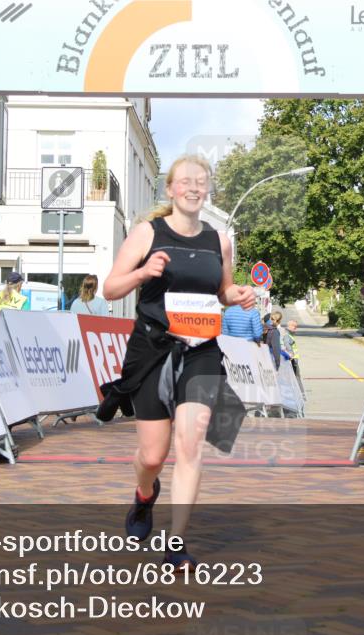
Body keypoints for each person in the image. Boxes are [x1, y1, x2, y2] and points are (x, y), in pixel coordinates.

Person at [98, 154, 256, 570]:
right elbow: (111, 288)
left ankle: (176, 545)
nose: (193, 187)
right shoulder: (147, 232)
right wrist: (143, 273)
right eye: (185, 181)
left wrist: (235, 295)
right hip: (153, 349)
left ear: (207, 190)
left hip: (201, 349)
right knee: (152, 455)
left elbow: (221, 292)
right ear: (170, 189)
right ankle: (145, 494)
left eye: (201, 182)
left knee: (192, 441)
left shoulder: (219, 240)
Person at [282, 319, 306, 398]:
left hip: (293, 360)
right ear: (290, 326)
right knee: (296, 377)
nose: (296, 329)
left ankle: (299, 393)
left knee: (296, 377)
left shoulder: (289, 335)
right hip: (292, 360)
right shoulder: (287, 335)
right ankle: (300, 394)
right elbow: (288, 346)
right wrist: (291, 355)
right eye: (295, 327)